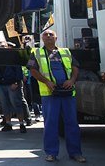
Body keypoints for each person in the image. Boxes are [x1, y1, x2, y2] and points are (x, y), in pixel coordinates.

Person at [27, 29, 86, 163]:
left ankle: (76, 153)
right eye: (46, 35)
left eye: (51, 34)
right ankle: (51, 153)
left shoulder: (65, 52)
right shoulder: (37, 52)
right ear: (42, 38)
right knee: (51, 124)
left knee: (72, 124)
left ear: (56, 38)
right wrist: (47, 82)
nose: (48, 36)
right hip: (50, 94)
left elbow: (75, 66)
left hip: (67, 93)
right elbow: (33, 70)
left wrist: (71, 81)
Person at [0, 42, 27, 134]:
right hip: (0, 85)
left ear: (7, 47)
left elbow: (18, 70)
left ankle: (21, 124)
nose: (1, 48)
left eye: (3, 46)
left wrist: (16, 82)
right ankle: (8, 123)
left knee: (17, 104)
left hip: (12, 84)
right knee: (4, 105)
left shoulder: (13, 56)